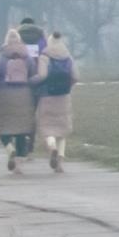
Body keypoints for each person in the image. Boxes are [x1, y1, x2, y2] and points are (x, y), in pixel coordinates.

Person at [0, 27, 38, 172]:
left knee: (4, 128)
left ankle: (9, 148)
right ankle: (18, 165)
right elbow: (33, 76)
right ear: (19, 41)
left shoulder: (0, 58)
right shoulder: (27, 57)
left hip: (5, 96)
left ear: (6, 41)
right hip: (24, 96)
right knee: (22, 131)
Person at [34, 32, 78, 172]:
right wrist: (69, 86)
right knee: (62, 130)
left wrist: (32, 82)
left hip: (47, 95)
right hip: (64, 96)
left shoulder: (44, 56)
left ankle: (51, 146)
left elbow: (42, 76)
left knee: (48, 128)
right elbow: (76, 76)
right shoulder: (68, 57)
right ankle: (60, 160)